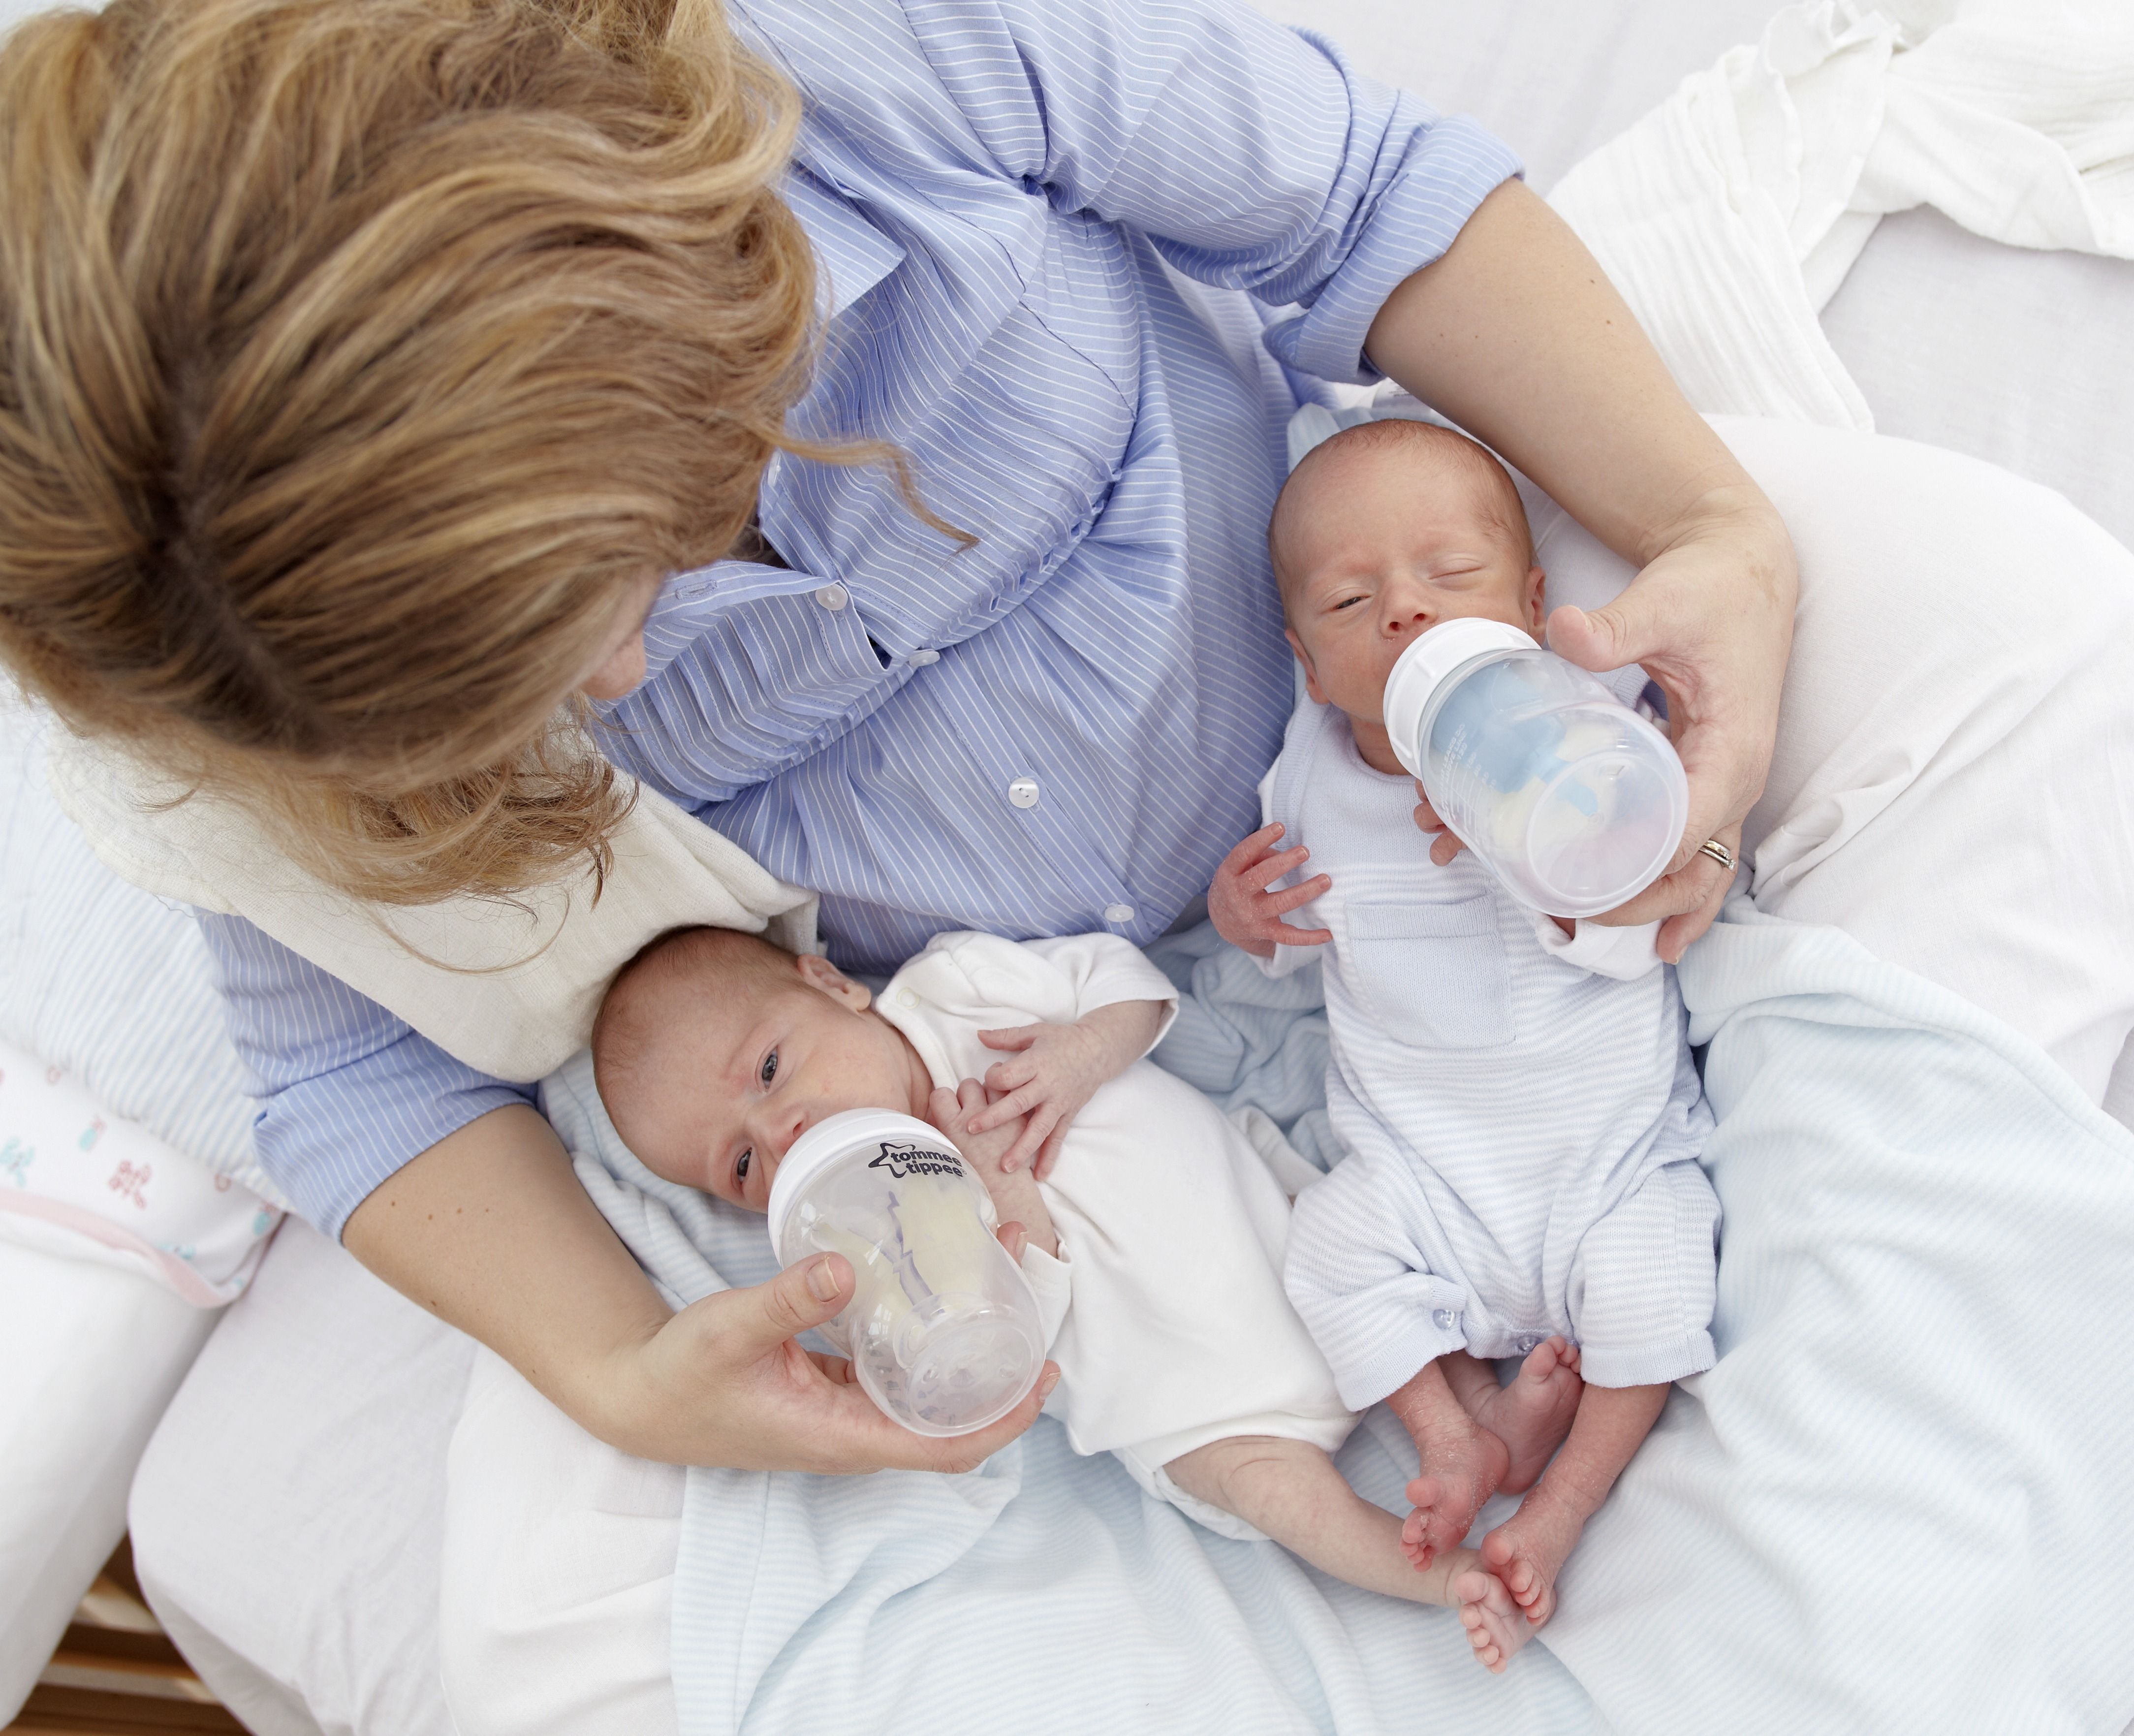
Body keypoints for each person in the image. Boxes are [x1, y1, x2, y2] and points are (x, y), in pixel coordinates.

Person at [0, 0, 1795, 1709]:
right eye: (541, 690)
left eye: (592, 609)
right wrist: (623, 1373)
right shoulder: (246, 663)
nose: (622, 684)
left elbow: (1360, 203)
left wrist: (1708, 528)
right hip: (1065, 1024)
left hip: (1384, 688)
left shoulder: (869, 68)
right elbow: (340, 1057)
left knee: (2039, 643)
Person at [591, 920, 1573, 1669]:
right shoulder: (864, 1246)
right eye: (745, 1163)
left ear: (832, 983)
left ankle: (1480, 1417)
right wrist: (1001, 1201)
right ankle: (1451, 1580)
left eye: (770, 1069)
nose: (789, 1128)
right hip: (1196, 1406)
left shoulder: (957, 990)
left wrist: (1077, 1057)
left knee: (1373, 1261)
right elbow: (1014, 1343)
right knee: (1280, 1497)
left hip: (1274, 1235)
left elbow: (1126, 987)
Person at [1209, 418, 1720, 1631]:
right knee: (1326, 1250)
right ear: (1308, 662)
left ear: (1533, 607)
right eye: (1350, 599)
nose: (1405, 613)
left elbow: (1656, 912)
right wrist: (1244, 917)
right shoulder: (1307, 780)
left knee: (1656, 1282)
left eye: (1451, 577)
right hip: (1423, 1171)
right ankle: (1461, 1434)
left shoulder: (1587, 736)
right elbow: (1291, 944)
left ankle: (1565, 1503)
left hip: (1604, 1155)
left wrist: (1560, 863)